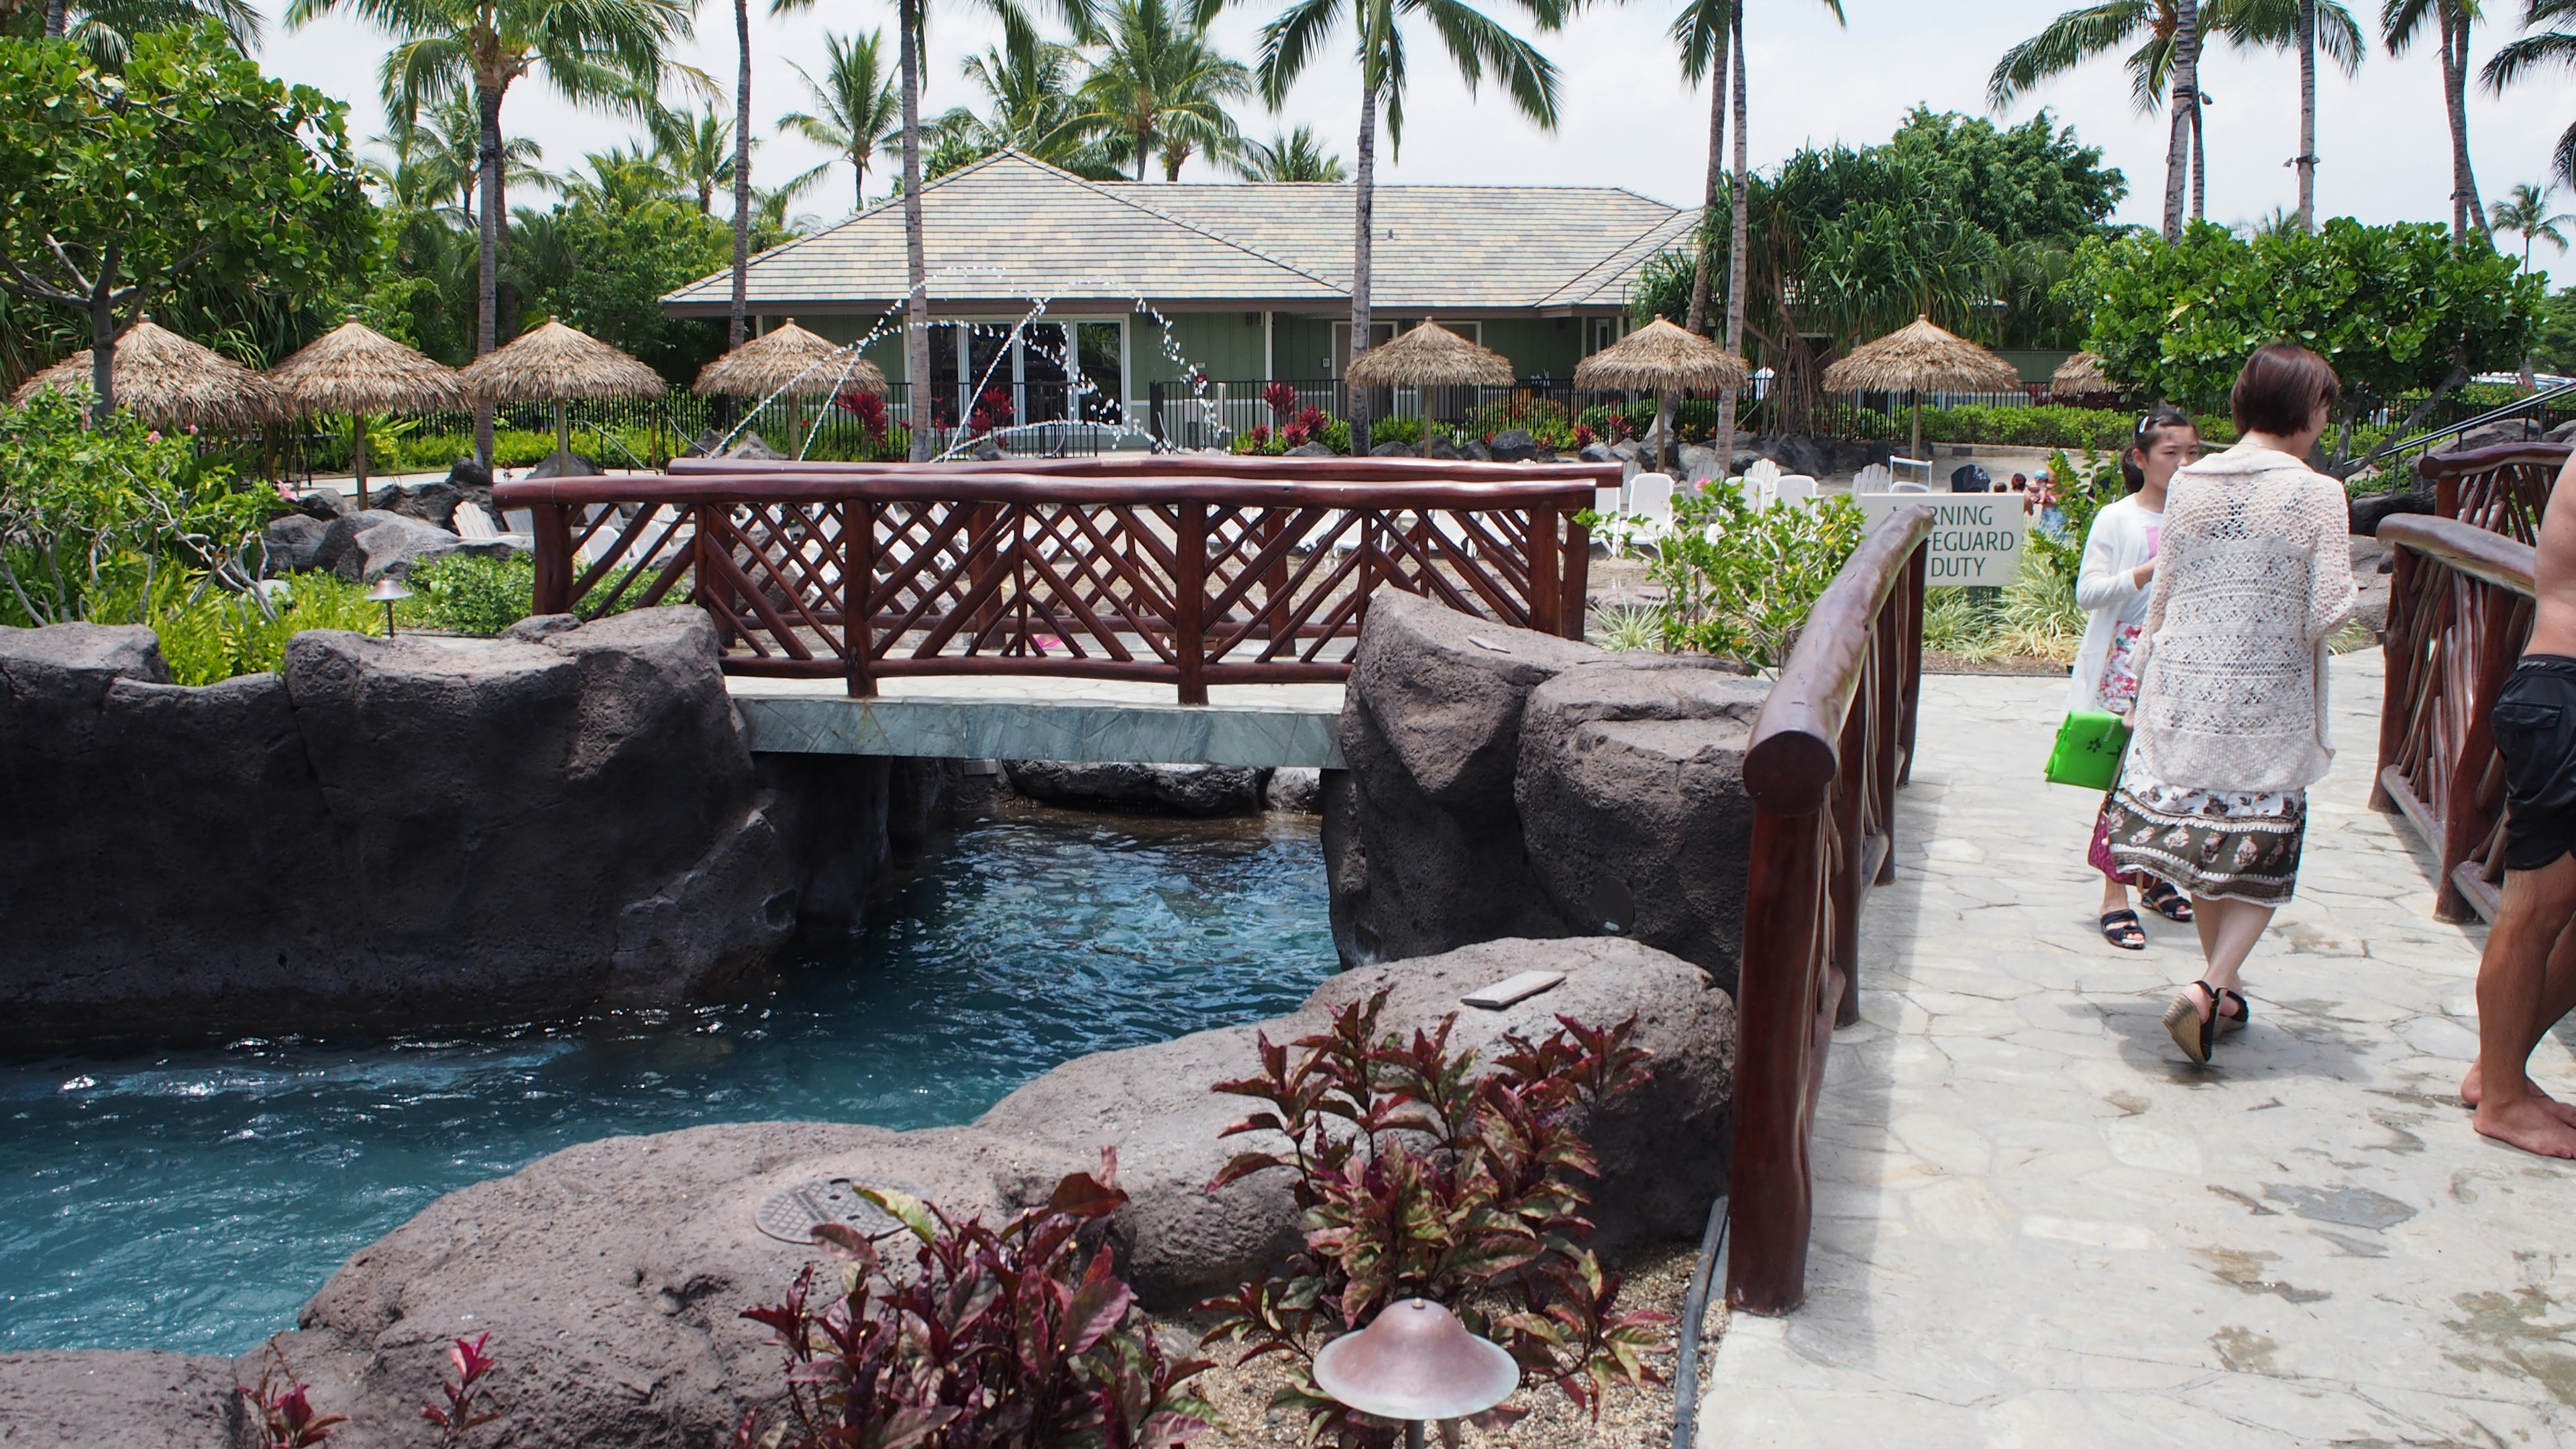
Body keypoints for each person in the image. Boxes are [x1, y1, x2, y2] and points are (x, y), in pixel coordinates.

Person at [2101, 344, 2357, 1065]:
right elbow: (2330, 607)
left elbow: (2170, 586)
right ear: (2306, 407)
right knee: (2263, 849)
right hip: (2267, 696)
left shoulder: (2191, 482)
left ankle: (2227, 994)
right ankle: (2212, 982)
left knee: (2211, 847)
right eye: (2325, 405)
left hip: (2184, 687)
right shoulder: (2316, 492)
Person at [2462, 449, 2576, 1157]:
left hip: (2555, 692)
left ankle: (2498, 1069)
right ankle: (2501, 1098)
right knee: (2534, 911)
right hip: (2567, 696)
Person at [2074, 409, 2200, 951]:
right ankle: (2114, 895)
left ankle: (2154, 878)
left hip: (2185, 664)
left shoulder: (2202, 517)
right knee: (2123, 781)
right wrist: (2148, 570)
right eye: (2171, 453)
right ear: (2141, 458)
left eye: (2193, 452)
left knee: (2172, 780)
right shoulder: (2118, 519)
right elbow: (2089, 592)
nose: (2184, 463)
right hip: (2127, 663)